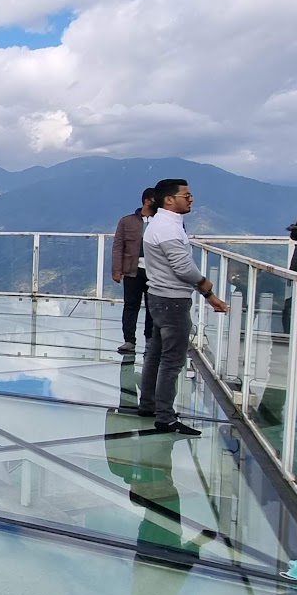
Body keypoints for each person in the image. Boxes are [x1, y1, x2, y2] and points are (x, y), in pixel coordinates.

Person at [137, 179, 228, 435]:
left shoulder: (160, 225)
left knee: (155, 353)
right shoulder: (167, 228)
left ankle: (149, 404)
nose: (190, 199)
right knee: (172, 360)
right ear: (169, 199)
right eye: (185, 195)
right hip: (172, 301)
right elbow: (183, 267)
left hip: (158, 296)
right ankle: (165, 417)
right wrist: (206, 287)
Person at [111, 188, 159, 355]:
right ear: (147, 200)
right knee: (131, 305)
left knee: (152, 307)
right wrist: (117, 270)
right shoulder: (127, 221)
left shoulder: (162, 222)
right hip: (133, 270)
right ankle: (129, 340)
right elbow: (118, 246)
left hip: (155, 271)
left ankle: (150, 340)